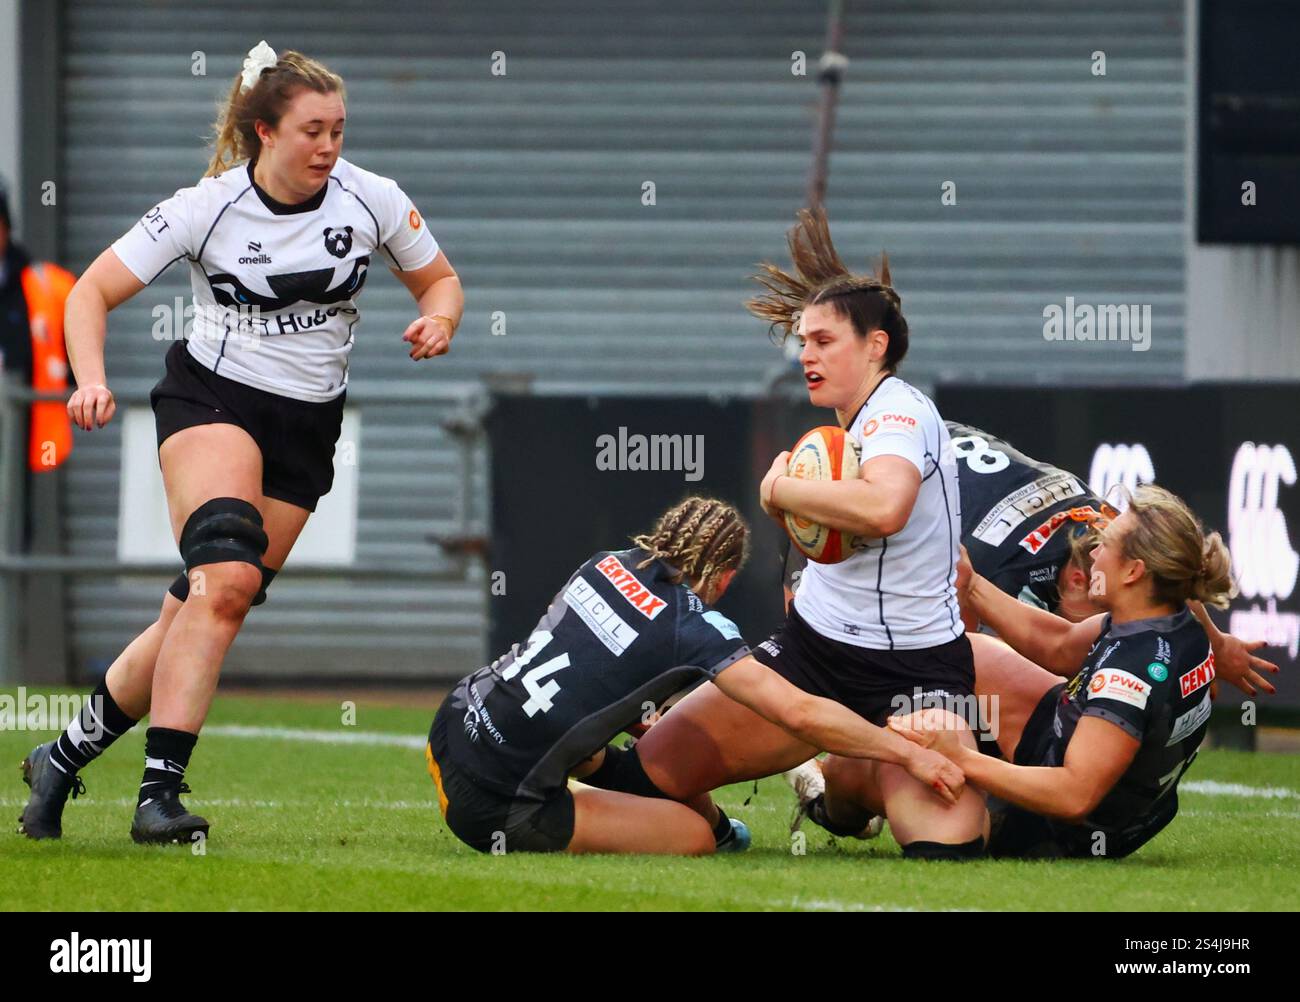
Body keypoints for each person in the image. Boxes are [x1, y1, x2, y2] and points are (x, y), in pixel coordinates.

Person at [19, 41, 463, 845]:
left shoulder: (373, 200)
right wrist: (88, 377)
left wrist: (441, 317)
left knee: (200, 608)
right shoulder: (207, 206)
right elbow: (89, 291)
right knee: (223, 575)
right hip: (213, 399)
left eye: (338, 130)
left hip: (308, 424)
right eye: (312, 130)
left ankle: (62, 755)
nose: (329, 146)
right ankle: (159, 796)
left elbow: (441, 279)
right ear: (264, 131)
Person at [590, 209, 989, 860]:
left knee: (949, 852)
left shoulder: (899, 410)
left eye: (824, 340)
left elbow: (886, 508)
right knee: (648, 777)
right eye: (803, 340)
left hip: (919, 671)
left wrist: (777, 489)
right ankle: (816, 787)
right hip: (814, 655)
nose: (806, 354)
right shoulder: (838, 430)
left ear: (876, 346)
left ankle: (839, 786)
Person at [427, 496, 965, 855]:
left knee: (610, 758)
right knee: (693, 837)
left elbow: (562, 649)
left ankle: (704, 821)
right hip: (492, 805)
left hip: (452, 724)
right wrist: (909, 752)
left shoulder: (602, 561)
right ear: (726, 577)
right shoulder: (695, 624)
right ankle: (709, 830)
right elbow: (797, 710)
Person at [838, 485, 1239, 858]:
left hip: (1069, 823)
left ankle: (833, 803)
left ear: (1134, 572)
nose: (1093, 553)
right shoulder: (1172, 617)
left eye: (1107, 545)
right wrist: (972, 584)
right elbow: (1059, 646)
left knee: (884, 765)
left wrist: (957, 756)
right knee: (963, 655)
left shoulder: (1130, 674)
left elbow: (1073, 796)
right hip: (1097, 764)